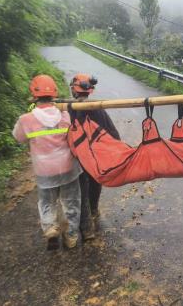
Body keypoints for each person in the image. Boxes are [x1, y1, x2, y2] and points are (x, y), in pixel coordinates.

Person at [12, 75, 82, 250]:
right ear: (54, 95)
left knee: (46, 202)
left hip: (44, 171)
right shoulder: (65, 115)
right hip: (67, 167)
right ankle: (71, 236)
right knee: (71, 202)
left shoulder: (25, 120)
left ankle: (50, 227)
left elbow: (18, 138)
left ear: (34, 95)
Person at [69, 73, 121, 240]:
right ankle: (94, 210)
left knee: (81, 188)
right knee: (95, 181)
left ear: (74, 90)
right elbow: (113, 133)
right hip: (96, 157)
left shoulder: (69, 109)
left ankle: (87, 228)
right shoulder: (98, 108)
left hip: (80, 157)